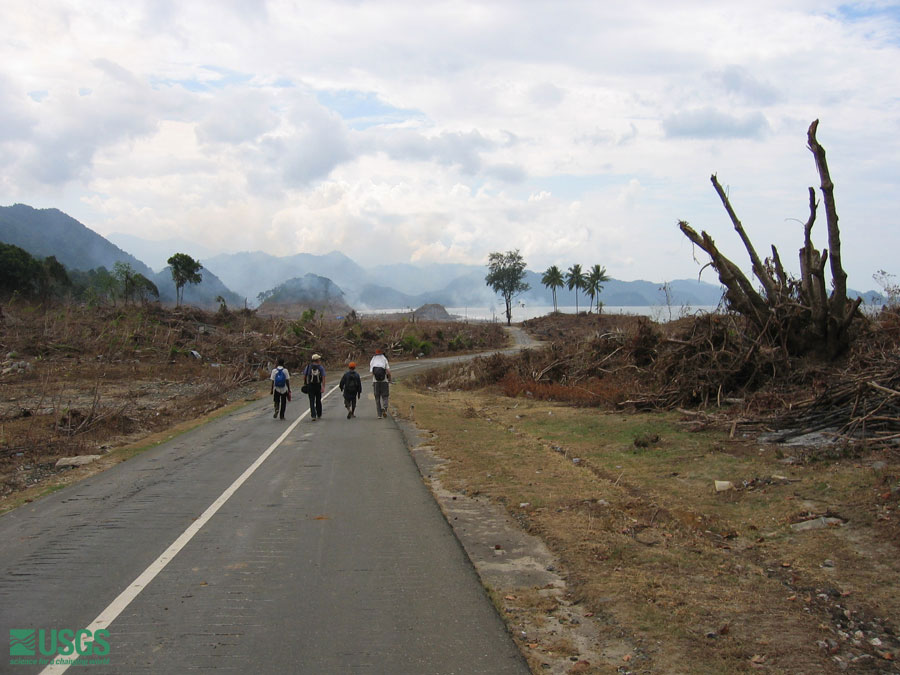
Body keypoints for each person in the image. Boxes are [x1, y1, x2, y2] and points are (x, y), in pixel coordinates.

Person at [369, 348, 391, 418]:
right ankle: (385, 408)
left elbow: (372, 373)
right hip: (384, 381)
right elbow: (388, 371)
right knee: (385, 396)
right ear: (381, 353)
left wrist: (373, 381)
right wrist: (389, 379)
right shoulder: (384, 359)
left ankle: (379, 415)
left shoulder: (373, 360)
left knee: (377, 398)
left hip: (376, 382)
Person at [303, 353, 326, 421]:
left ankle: (313, 415)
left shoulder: (308, 367)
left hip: (310, 385)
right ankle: (319, 413)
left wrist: (305, 383)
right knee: (318, 400)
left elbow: (305, 376)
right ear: (317, 360)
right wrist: (323, 386)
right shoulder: (320, 367)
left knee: (311, 400)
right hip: (318, 385)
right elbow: (324, 377)